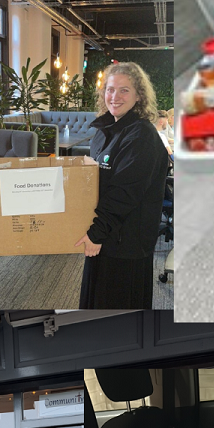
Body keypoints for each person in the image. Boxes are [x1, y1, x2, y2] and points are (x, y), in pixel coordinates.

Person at [75, 62, 170, 309]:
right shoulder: (106, 130)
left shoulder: (141, 136)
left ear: (139, 95)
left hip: (125, 245)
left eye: (124, 90)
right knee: (94, 307)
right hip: (105, 235)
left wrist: (96, 232)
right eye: (110, 89)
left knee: (117, 313)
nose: (115, 96)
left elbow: (124, 193)